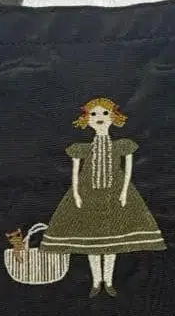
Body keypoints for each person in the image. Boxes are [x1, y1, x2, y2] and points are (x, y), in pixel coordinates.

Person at [40, 97, 166, 296]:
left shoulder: (122, 145)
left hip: (114, 196)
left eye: (105, 113)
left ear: (114, 117)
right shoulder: (81, 149)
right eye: (94, 114)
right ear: (86, 119)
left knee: (111, 244)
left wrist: (124, 192)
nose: (99, 117)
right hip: (87, 196)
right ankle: (96, 282)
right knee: (91, 243)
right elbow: (75, 174)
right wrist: (76, 194)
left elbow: (128, 171)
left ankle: (108, 281)